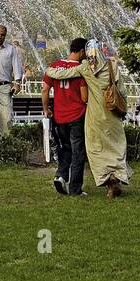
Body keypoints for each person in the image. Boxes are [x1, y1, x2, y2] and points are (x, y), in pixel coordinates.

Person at [43, 45, 131, 198]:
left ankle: (108, 181)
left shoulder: (85, 68)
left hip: (94, 116)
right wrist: (123, 109)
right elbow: (122, 90)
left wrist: (49, 70)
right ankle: (116, 175)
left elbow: (63, 74)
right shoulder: (112, 65)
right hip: (112, 114)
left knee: (96, 149)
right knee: (115, 146)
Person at [43, 39, 89, 197]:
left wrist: (46, 109)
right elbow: (84, 98)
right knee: (78, 152)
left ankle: (60, 176)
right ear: (82, 52)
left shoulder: (54, 66)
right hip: (76, 116)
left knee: (65, 148)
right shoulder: (80, 69)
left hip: (59, 116)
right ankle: (75, 189)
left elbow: (45, 90)